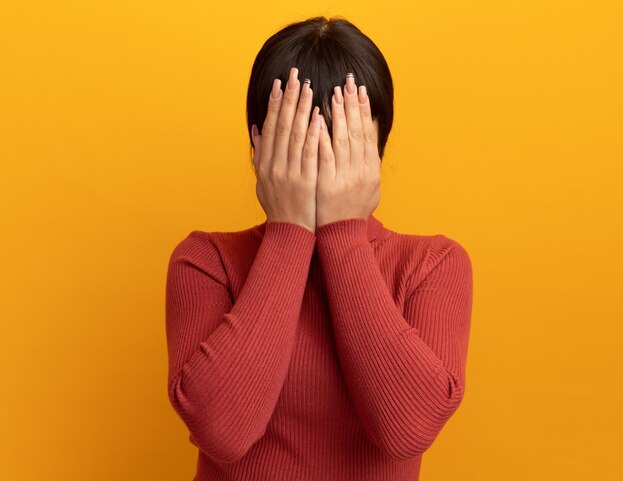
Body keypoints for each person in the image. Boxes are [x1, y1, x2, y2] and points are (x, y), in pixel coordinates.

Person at [165, 15, 473, 481]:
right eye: (298, 137)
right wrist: (289, 229)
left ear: (377, 147)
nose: (321, 156)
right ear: (258, 143)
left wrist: (344, 233)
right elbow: (222, 431)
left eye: (342, 138)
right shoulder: (206, 261)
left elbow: (408, 430)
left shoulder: (434, 264)